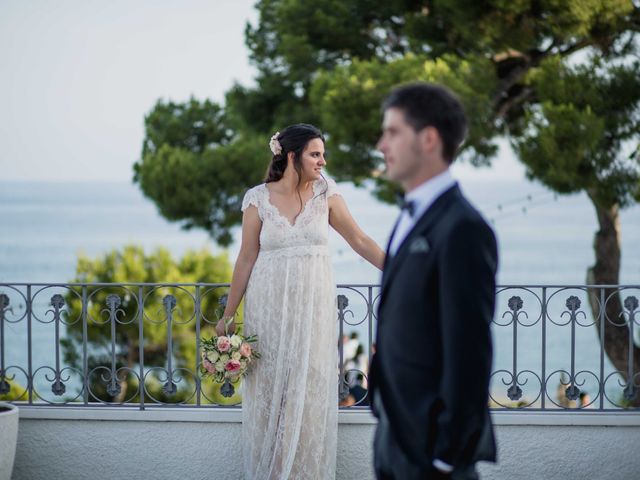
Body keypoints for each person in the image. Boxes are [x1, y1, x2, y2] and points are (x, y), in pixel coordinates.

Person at [218, 123, 385, 480]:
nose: (323, 161)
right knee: (271, 400)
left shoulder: (327, 194)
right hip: (268, 309)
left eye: (323, 154)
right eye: (315, 154)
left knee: (307, 396)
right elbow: (246, 257)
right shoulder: (257, 198)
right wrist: (228, 315)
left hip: (313, 309)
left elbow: (359, 239)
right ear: (292, 156)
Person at [369, 83, 498, 480]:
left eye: (392, 132)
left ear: (428, 139)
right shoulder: (410, 215)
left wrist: (446, 456)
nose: (380, 144)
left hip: (433, 455)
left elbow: (469, 352)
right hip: (395, 439)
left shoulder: (462, 227)